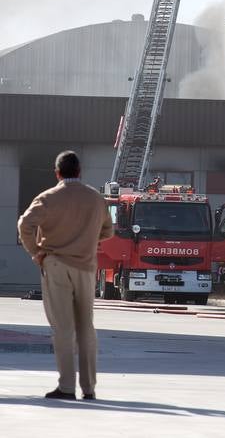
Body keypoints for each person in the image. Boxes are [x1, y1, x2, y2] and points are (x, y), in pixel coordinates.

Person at [17, 150, 114, 400]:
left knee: (63, 327)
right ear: (80, 171)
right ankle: (89, 387)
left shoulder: (48, 198)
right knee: (86, 327)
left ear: (57, 173)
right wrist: (88, 240)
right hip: (86, 266)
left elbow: (24, 224)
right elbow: (109, 231)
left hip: (56, 264)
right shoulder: (96, 198)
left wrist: (36, 252)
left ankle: (67, 386)